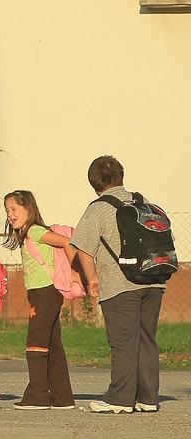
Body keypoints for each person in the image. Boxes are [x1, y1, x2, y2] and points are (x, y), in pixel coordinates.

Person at [67, 155, 166, 414]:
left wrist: (93, 280)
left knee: (123, 341)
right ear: (121, 176)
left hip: (120, 283)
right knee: (146, 338)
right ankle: (148, 397)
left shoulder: (97, 208)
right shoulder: (144, 203)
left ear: (94, 182)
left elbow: (84, 250)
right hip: (154, 280)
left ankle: (120, 399)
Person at [2, 189, 75, 411]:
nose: (10, 215)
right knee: (53, 344)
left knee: (36, 343)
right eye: (7, 211)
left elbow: (67, 242)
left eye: (14, 209)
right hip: (44, 293)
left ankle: (38, 396)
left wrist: (76, 274)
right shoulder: (28, 233)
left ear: (28, 208)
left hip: (44, 292)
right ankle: (62, 397)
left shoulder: (34, 231)